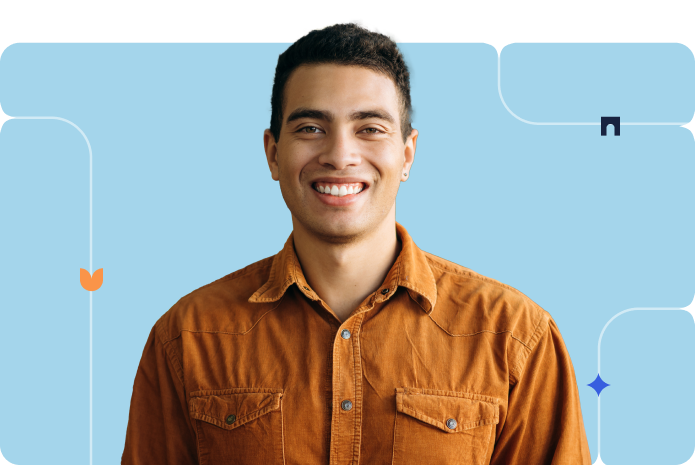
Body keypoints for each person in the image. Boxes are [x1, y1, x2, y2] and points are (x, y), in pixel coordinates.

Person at [122, 20, 592, 465]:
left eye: (370, 128)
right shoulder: (188, 337)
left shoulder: (512, 335)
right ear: (272, 153)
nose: (340, 155)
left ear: (406, 155)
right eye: (310, 128)